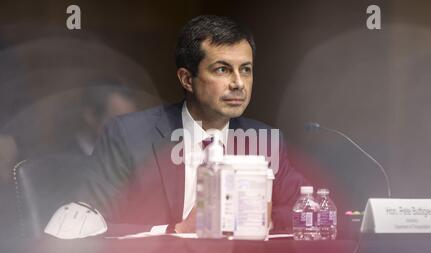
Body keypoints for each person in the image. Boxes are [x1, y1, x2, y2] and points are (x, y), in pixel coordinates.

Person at [75, 15, 307, 235]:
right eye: (222, 70)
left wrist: (249, 218)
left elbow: (308, 209)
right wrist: (176, 230)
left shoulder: (262, 140)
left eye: (245, 70)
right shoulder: (129, 136)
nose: (238, 83)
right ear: (187, 79)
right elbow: (89, 225)